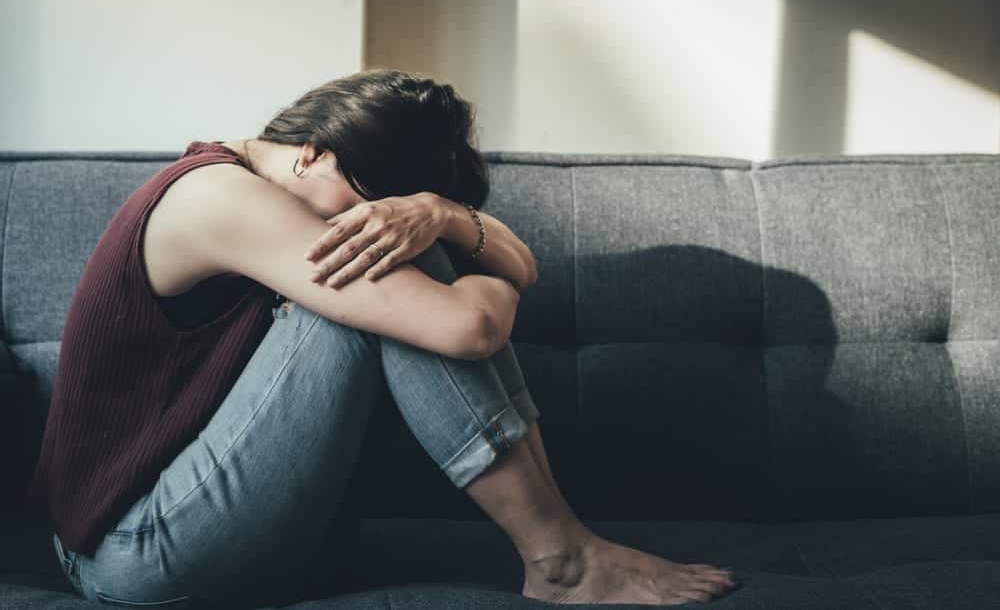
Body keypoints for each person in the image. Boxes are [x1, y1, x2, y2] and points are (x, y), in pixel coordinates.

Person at [33, 68, 741, 607]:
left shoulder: (281, 185)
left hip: (238, 528)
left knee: (407, 266)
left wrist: (442, 215)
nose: (379, 223)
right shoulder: (216, 197)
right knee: (386, 284)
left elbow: (518, 266)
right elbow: (472, 322)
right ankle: (563, 559)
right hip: (132, 549)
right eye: (373, 203)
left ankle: (564, 553)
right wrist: (456, 266)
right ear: (312, 153)